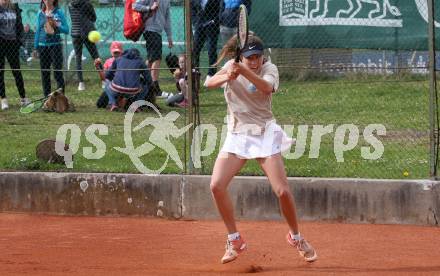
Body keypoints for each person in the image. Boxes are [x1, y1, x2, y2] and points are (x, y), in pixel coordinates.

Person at [205, 34, 318, 264]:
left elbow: (267, 88)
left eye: (257, 56)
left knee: (282, 191)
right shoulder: (231, 66)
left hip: (264, 134)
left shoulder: (270, 68)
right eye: (249, 58)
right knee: (216, 185)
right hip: (238, 134)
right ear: (241, 56)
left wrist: (244, 72)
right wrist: (229, 74)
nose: (254, 61)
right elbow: (208, 83)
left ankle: (295, 236)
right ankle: (234, 240)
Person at [133, 0, 173, 99]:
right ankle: (155, 88)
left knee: (151, 59)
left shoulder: (167, 1)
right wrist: (149, 8)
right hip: (150, 30)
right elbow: (134, 6)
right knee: (157, 59)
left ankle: (140, 82)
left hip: (157, 32)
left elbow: (167, 18)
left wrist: (169, 36)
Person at [34, 0, 69, 97]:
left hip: (55, 45)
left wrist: (56, 24)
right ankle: (47, 98)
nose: (47, 0)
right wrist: (35, 47)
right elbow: (37, 31)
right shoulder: (40, 13)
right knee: (45, 73)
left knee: (57, 73)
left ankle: (61, 97)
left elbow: (66, 30)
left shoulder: (59, 12)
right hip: (42, 47)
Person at [0, 0, 29, 110]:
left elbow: (19, 26)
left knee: (16, 71)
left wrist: (19, 41)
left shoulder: (14, 7)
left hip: (13, 44)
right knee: (0, 72)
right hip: (1, 43)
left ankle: (23, 98)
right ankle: (3, 99)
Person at [68, 0, 101, 91]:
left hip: (75, 33)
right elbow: (94, 18)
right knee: (95, 56)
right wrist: (87, 18)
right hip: (87, 32)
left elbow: (74, 18)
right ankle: (104, 81)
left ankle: (81, 84)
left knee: (78, 58)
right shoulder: (87, 3)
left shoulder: (70, 4)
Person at [191, 0, 220, 85]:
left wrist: (214, 21)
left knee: (211, 50)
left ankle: (211, 74)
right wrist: (196, 22)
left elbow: (220, 9)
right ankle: (195, 72)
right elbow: (192, 9)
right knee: (195, 50)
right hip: (199, 26)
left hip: (212, 26)